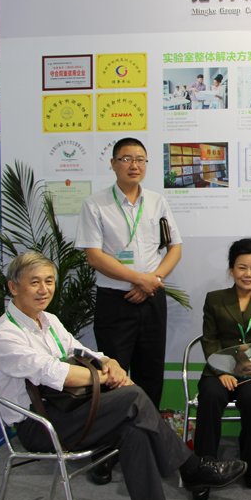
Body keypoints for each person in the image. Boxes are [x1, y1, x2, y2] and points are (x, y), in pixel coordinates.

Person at [0, 252, 246, 500]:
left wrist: (110, 362)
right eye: (35, 282)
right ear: (14, 287)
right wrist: (104, 376)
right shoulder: (3, 334)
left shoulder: (48, 320)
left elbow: (82, 352)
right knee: (133, 397)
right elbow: (54, 373)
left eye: (49, 281)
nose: (44, 289)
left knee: (134, 430)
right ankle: (191, 468)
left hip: (70, 409)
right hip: (39, 424)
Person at [76, 136, 182, 411]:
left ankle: (148, 431)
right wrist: (139, 280)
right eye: (126, 159)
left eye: (139, 160)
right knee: (113, 372)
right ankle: (116, 433)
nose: (134, 165)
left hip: (152, 300)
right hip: (115, 302)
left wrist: (153, 281)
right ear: (113, 164)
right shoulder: (95, 204)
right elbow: (94, 256)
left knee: (151, 372)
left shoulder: (157, 202)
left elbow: (175, 248)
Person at [192, 238, 251, 500]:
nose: (248, 274)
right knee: (210, 397)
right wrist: (221, 370)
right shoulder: (215, 299)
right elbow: (210, 339)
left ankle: (249, 463)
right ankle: (204, 469)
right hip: (219, 371)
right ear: (231, 270)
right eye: (242, 267)